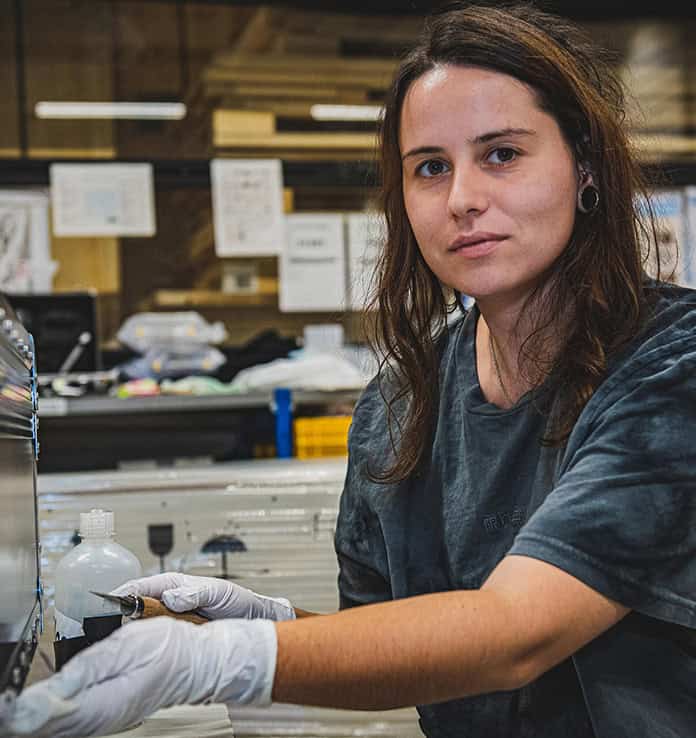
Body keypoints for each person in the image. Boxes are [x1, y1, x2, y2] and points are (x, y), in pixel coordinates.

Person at [6, 3, 696, 737]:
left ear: (584, 167)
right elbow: (401, 648)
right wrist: (260, 624)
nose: (463, 199)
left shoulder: (671, 368)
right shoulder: (399, 409)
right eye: (431, 167)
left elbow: (517, 633)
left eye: (501, 154)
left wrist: (225, 661)